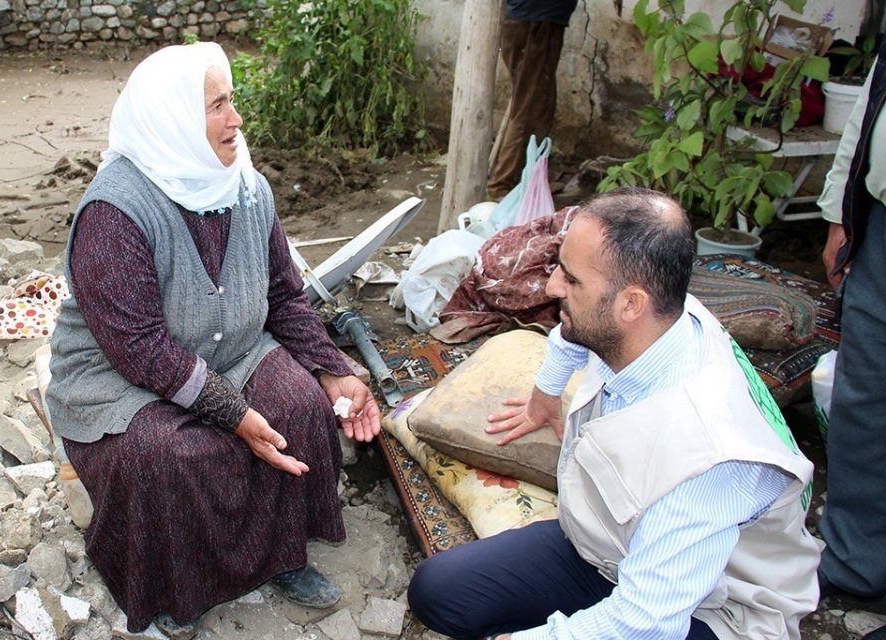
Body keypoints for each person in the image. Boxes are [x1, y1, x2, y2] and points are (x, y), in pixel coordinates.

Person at [44, 42, 381, 636]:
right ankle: (178, 587)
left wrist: (334, 370)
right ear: (172, 119)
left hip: (232, 350)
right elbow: (141, 349)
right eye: (218, 106)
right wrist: (234, 412)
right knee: (170, 456)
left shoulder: (246, 188)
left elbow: (283, 294)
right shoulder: (114, 212)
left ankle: (280, 556)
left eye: (233, 101)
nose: (237, 119)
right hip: (120, 379)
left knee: (302, 405)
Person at [407, 187, 821, 639]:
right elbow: (570, 331)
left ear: (630, 303)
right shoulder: (660, 315)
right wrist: (545, 394)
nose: (551, 287)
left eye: (571, 279)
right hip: (610, 553)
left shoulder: (708, 456)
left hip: (712, 609)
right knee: (439, 590)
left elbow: (644, 622)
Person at [816, 48, 886, 639]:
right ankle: (853, 563)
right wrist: (844, 211)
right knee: (863, 397)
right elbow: (871, 104)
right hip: (883, 217)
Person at [486, 0, 578, 200]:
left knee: (541, 105)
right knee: (528, 110)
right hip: (534, 25)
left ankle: (532, 179)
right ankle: (500, 186)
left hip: (537, 22)